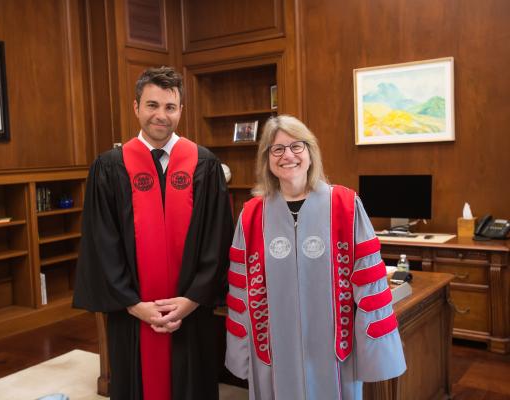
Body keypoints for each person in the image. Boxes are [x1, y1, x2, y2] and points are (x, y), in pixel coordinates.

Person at [73, 66, 233, 400]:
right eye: (152, 105)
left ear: (180, 111)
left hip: (189, 313)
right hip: (133, 316)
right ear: (136, 107)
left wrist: (190, 301)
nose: (161, 115)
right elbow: (102, 241)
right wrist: (133, 304)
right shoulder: (110, 166)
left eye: (170, 107)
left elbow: (217, 241)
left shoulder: (205, 164)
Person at [225, 115, 406, 399]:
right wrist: (240, 350)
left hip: (334, 353)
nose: (288, 156)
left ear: (310, 152)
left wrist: (375, 351)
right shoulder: (252, 215)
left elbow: (370, 282)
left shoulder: (344, 205)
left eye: (296, 146)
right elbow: (241, 291)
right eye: (277, 149)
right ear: (267, 159)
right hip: (272, 354)